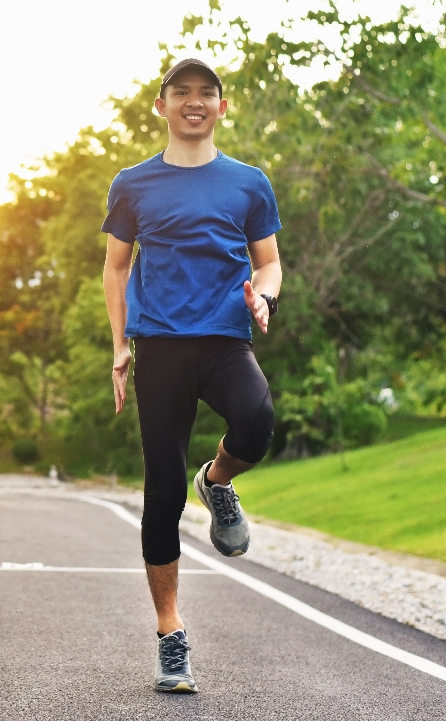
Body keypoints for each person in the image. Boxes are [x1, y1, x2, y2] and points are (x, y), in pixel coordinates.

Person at [101, 58, 282, 694]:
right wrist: (120, 345)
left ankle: (219, 479)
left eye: (207, 93)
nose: (195, 102)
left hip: (224, 339)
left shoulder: (248, 183)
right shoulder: (133, 184)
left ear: (222, 108)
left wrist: (264, 296)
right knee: (160, 492)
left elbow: (270, 264)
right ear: (162, 105)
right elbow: (116, 269)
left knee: (257, 419)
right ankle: (170, 633)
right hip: (161, 347)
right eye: (183, 93)